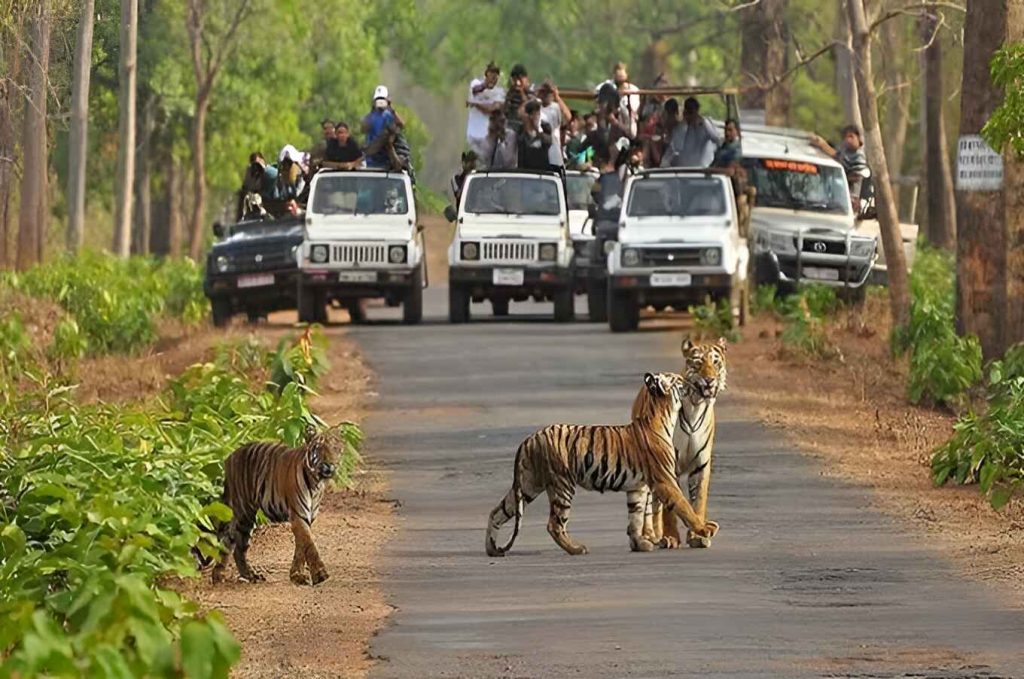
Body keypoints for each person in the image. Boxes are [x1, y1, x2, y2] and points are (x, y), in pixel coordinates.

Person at [810, 124, 868, 211]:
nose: (848, 140)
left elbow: (855, 177)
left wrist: (840, 179)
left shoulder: (860, 156)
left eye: (851, 136)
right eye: (846, 137)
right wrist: (822, 144)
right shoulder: (846, 151)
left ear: (859, 138)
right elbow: (835, 155)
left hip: (852, 198)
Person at [660, 97, 721, 168]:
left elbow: (717, 140)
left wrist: (703, 124)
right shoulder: (681, 129)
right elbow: (673, 148)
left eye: (691, 112)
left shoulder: (705, 125)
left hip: (702, 170)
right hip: (683, 170)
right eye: (687, 112)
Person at [466, 62, 506, 159]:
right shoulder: (475, 83)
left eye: (495, 77)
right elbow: (475, 90)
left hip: (487, 136)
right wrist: (485, 85)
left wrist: (475, 104)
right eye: (491, 76)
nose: (493, 80)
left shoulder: (499, 93)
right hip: (472, 134)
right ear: (486, 74)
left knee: (484, 162)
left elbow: (491, 109)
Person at [363, 85, 406, 169]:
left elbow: (402, 124)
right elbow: (364, 128)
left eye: (382, 100)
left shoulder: (390, 115)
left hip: (387, 159)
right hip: (372, 160)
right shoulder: (370, 116)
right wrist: (373, 109)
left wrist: (391, 108)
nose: (380, 102)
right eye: (378, 100)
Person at [537, 82, 571, 169]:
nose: (546, 95)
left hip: (554, 152)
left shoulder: (556, 107)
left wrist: (557, 96)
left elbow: (568, 117)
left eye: (548, 92)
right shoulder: (536, 106)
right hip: (538, 151)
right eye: (544, 92)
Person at [517, 100, 552, 171]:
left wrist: (537, 129)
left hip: (542, 169)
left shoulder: (545, 127)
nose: (537, 117)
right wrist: (527, 127)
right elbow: (520, 143)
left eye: (538, 114)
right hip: (525, 169)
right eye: (534, 114)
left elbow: (548, 142)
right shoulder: (521, 129)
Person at [504, 63, 534, 135]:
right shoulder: (510, 92)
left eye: (520, 79)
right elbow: (504, 110)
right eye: (515, 79)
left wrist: (521, 92)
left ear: (526, 78)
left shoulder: (531, 92)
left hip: (525, 131)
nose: (518, 82)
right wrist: (510, 94)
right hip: (510, 129)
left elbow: (529, 107)